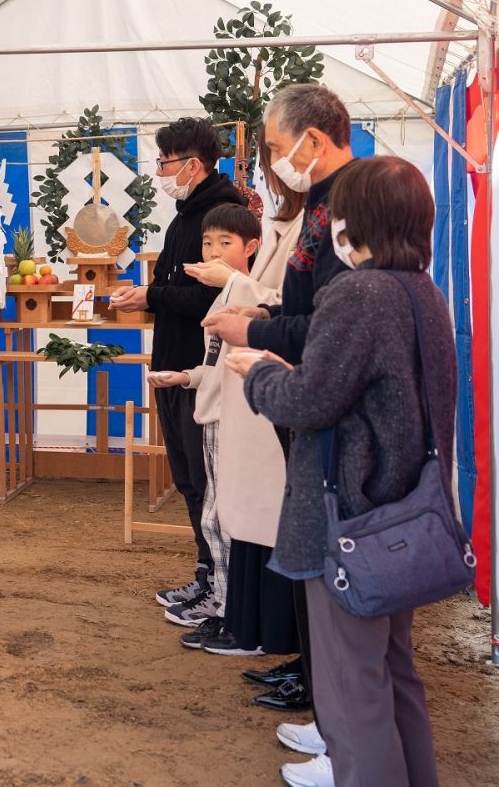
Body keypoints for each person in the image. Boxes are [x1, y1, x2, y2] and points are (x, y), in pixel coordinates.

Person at [232, 156, 453, 787]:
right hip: (400, 514)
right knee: (393, 674)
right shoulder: (423, 290)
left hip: (348, 519)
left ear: (352, 221)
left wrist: (262, 372)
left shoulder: (360, 292)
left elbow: (311, 401)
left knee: (353, 690)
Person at [203, 85, 358, 754]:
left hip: (324, 419)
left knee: (340, 596)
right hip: (300, 406)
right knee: (314, 583)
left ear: (312, 140)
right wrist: (261, 322)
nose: (274, 165)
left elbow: (329, 324)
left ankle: (345, 735)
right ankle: (326, 708)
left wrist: (257, 324)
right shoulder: (321, 208)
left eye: (273, 149)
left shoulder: (349, 211)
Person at [111, 117, 247, 623]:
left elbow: (216, 296)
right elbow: (173, 286)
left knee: (209, 483)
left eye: (165, 162)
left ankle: (223, 586)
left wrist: (153, 296)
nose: (159, 171)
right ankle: (206, 573)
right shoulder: (183, 215)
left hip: (204, 369)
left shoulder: (222, 214)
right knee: (191, 481)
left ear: (192, 164)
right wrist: (147, 297)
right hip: (174, 363)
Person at [147, 203, 264, 640]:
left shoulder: (248, 289)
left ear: (250, 247)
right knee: (212, 512)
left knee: (224, 513)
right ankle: (218, 593)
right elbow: (213, 362)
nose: (213, 251)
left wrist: (233, 280)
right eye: (207, 242)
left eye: (225, 243)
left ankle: (231, 608)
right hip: (211, 410)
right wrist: (187, 376)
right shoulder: (222, 294)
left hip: (232, 418)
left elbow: (268, 308)